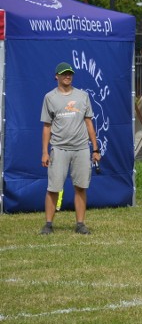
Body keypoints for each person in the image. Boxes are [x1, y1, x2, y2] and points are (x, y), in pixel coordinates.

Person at [40, 62, 101, 235]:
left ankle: (80, 224)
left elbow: (89, 123)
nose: (67, 76)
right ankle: (48, 224)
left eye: (70, 73)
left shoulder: (83, 96)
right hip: (58, 149)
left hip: (81, 148)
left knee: (81, 187)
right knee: (53, 188)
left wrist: (95, 149)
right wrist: (45, 152)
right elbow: (47, 126)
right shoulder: (49, 97)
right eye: (64, 73)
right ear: (56, 76)